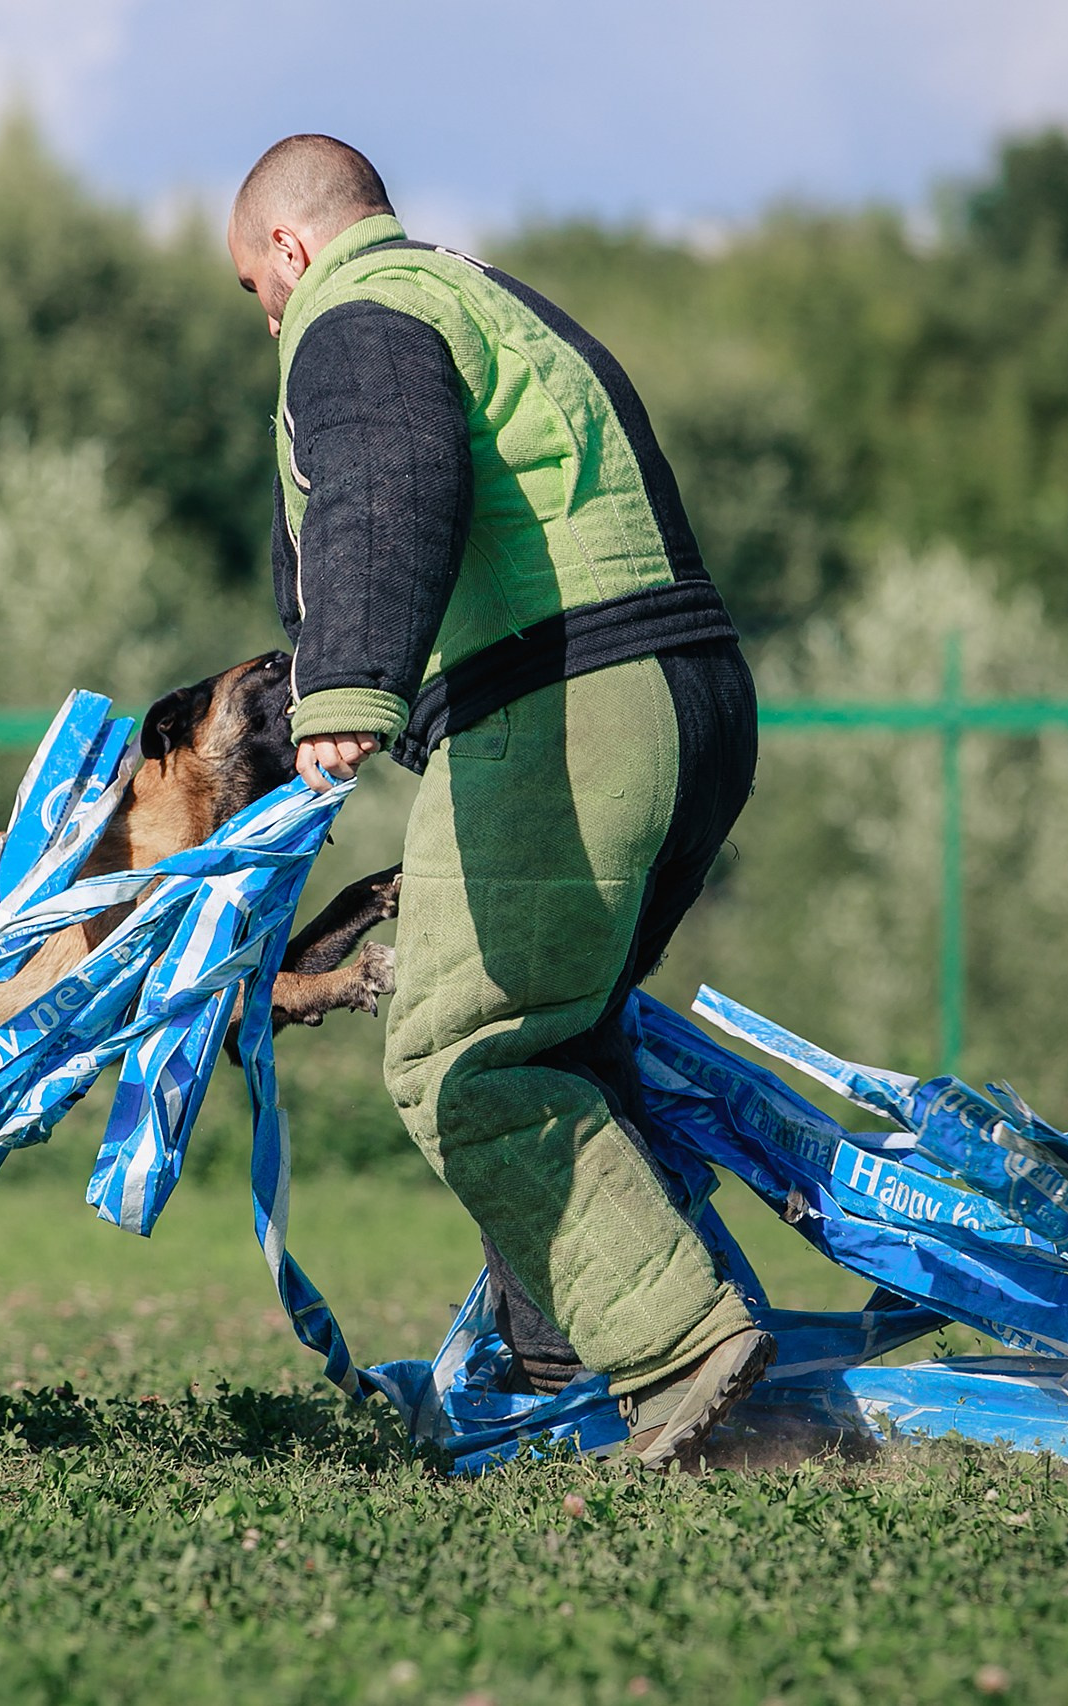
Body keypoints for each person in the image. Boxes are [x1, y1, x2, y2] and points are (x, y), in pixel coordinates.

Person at [228, 134, 775, 1469]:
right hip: (687, 699)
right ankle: (557, 1369)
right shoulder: (482, 295)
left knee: (459, 1056)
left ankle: (683, 1344)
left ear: (293, 249)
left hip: (567, 708)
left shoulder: (351, 316)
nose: (269, 317)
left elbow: (386, 479)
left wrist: (346, 689)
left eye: (255, 290)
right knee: (559, 1043)